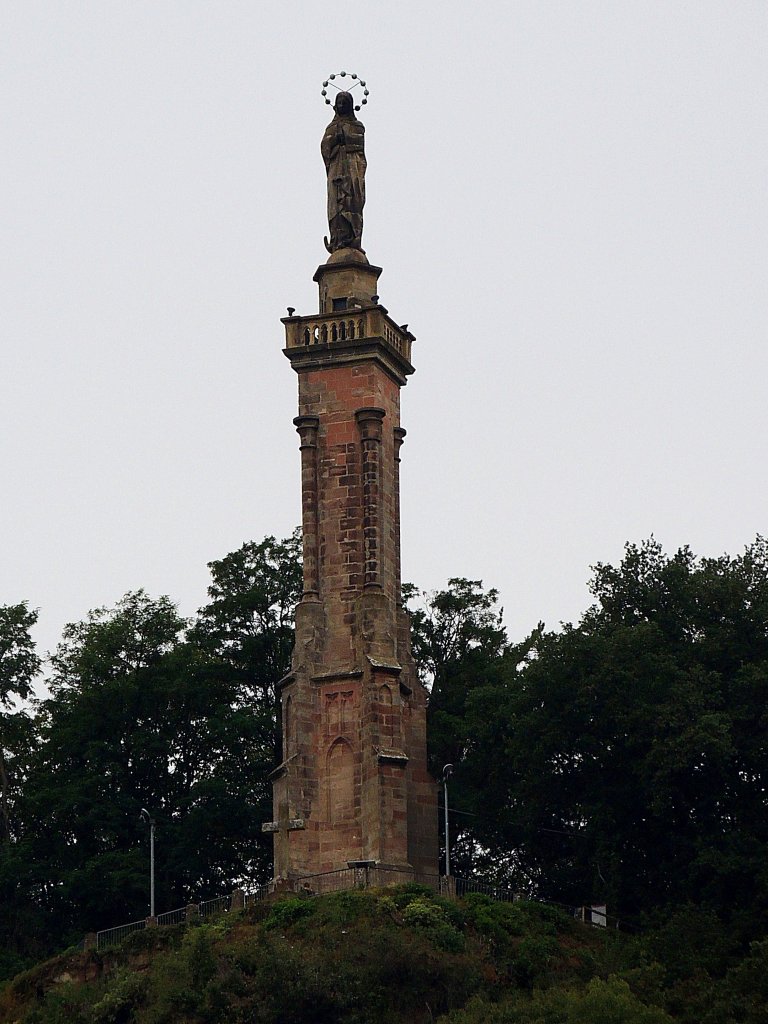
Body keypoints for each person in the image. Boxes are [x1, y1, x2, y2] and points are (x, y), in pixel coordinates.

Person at [321, 92, 366, 252]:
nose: (341, 105)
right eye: (338, 102)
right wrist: (334, 141)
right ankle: (337, 238)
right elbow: (325, 147)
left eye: (344, 102)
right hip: (336, 169)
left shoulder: (358, 126)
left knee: (352, 200)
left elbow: (359, 143)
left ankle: (353, 237)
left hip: (352, 168)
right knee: (336, 202)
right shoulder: (331, 127)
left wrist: (344, 139)